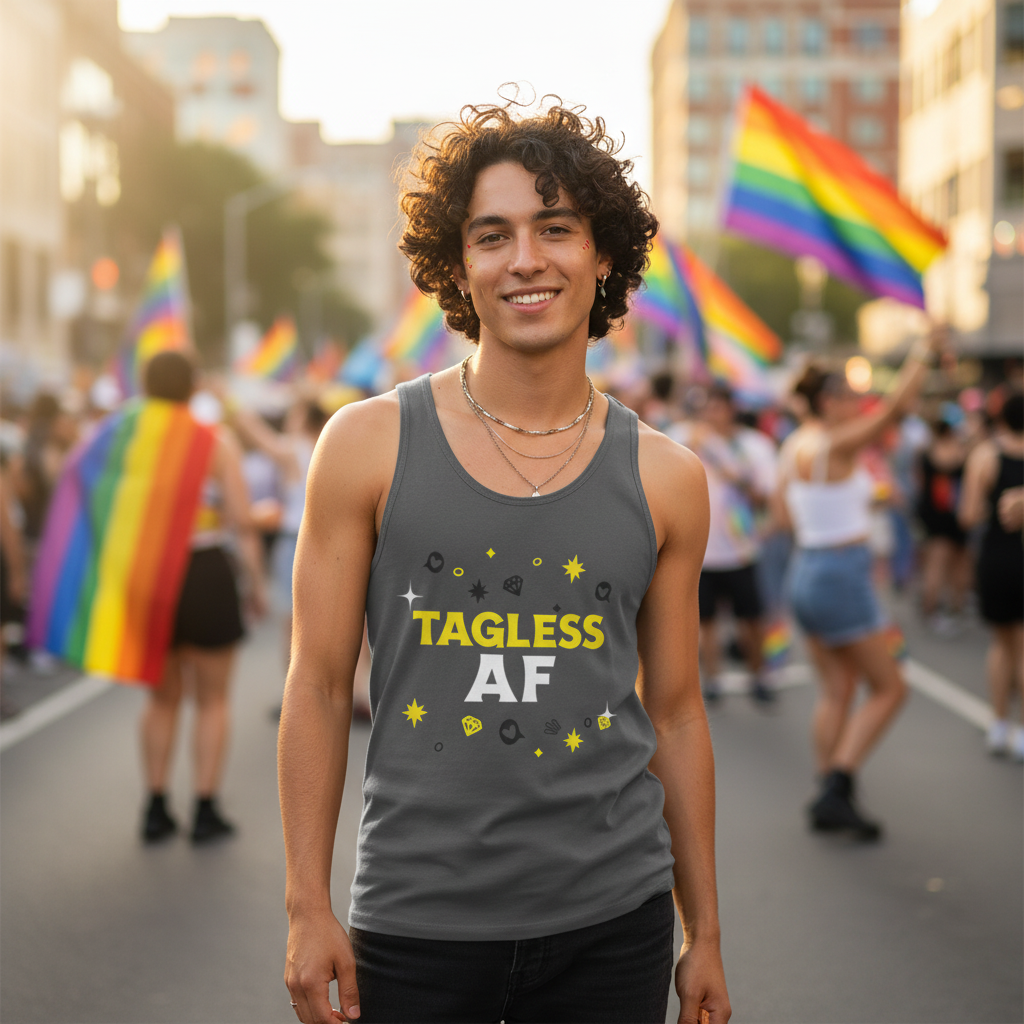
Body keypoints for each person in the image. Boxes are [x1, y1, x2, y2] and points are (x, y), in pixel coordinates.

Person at [279, 100, 731, 1024]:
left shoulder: (670, 478)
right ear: (458, 266)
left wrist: (706, 934)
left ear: (604, 256)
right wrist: (305, 904)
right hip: (414, 925)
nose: (526, 259)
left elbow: (678, 714)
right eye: (493, 235)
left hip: (616, 924)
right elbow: (319, 686)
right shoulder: (365, 446)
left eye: (555, 228)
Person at [777, 331, 944, 841]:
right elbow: (894, 411)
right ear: (829, 401)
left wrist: (851, 511)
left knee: (838, 689)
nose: (859, 404)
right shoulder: (833, 440)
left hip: (807, 569)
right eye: (851, 396)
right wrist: (922, 353)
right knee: (891, 686)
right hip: (839, 574)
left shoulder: (797, 443)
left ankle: (829, 790)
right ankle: (839, 786)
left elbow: (785, 516)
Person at [139, 352, 268, 844]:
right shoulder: (212, 440)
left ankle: (154, 807)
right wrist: (254, 584)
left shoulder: (130, 444)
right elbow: (241, 521)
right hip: (204, 570)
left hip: (151, 576)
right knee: (212, 699)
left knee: (161, 698)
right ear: (193, 386)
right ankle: (205, 808)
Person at [671, 383, 777, 704]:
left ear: (731, 409)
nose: (709, 414)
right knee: (706, 622)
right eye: (705, 407)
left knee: (752, 620)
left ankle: (758, 676)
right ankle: (713, 681)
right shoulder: (683, 439)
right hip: (700, 550)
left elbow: (763, 495)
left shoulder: (753, 445)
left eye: (716, 407)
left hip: (742, 549)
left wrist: (727, 466)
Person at [959, 390, 1024, 760]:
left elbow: (968, 515)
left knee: (1002, 644)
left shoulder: (985, 455)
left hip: (996, 558)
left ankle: (998, 724)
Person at [917, 414, 970, 633]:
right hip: (954, 513)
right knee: (958, 564)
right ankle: (955, 608)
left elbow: (919, 483)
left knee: (935, 564)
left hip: (933, 513)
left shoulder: (926, 453)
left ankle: (932, 608)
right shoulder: (961, 452)